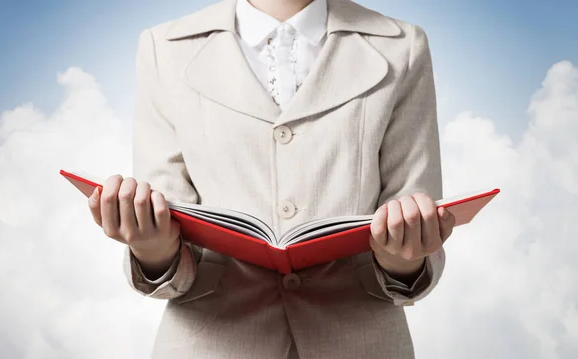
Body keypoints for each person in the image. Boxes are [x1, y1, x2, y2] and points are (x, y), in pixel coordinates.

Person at [87, 0, 456, 357]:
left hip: (360, 344)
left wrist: (403, 259)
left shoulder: (402, 45)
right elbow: (169, 233)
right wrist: (151, 248)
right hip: (211, 344)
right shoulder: (163, 48)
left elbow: (416, 215)